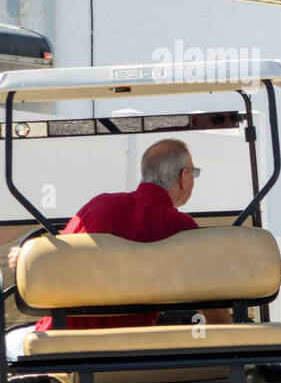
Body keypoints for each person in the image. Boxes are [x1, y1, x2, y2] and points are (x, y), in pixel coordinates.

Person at [6, 139, 229, 351]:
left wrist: (25, 258)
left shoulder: (99, 206)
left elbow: (56, 261)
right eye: (194, 173)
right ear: (184, 176)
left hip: (62, 343)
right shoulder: (181, 228)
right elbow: (214, 309)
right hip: (129, 351)